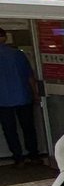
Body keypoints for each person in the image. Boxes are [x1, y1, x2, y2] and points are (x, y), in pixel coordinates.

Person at [0, 27, 40, 166]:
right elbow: (30, 76)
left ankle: (18, 158)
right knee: (28, 127)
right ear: (5, 37)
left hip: (3, 101)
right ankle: (34, 155)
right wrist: (35, 94)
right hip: (23, 96)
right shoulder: (18, 54)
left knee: (10, 130)